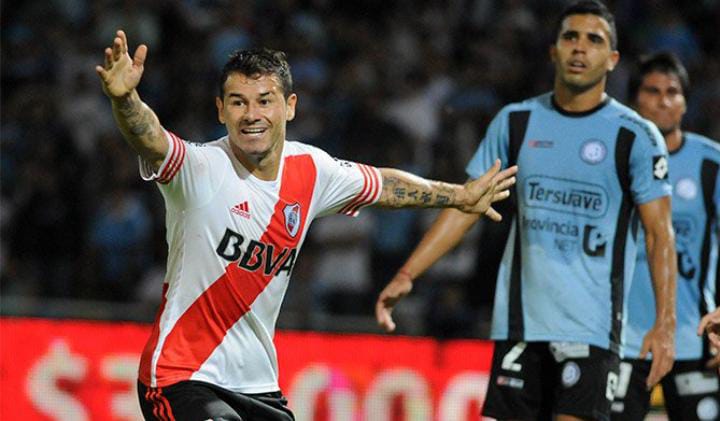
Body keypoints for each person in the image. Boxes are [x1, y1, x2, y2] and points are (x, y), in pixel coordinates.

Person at [95, 30, 517, 421]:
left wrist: (459, 195)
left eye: (265, 101)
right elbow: (151, 139)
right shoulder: (201, 168)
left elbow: (384, 184)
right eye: (238, 102)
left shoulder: (312, 170)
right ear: (220, 109)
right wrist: (125, 99)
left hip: (258, 384)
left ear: (290, 106)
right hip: (180, 377)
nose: (251, 115)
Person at [375, 1, 677, 420]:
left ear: (612, 59)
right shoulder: (515, 122)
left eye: (594, 40)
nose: (579, 47)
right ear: (553, 51)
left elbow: (660, 234)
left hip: (592, 331)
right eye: (570, 37)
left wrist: (665, 325)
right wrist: (408, 273)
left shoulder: (636, 136)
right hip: (519, 327)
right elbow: (467, 205)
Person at [611, 52, 720, 421]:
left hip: (694, 338)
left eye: (672, 92)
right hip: (623, 339)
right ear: (634, 99)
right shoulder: (613, 159)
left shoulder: (711, 163)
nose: (663, 100)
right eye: (652, 91)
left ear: (685, 102)